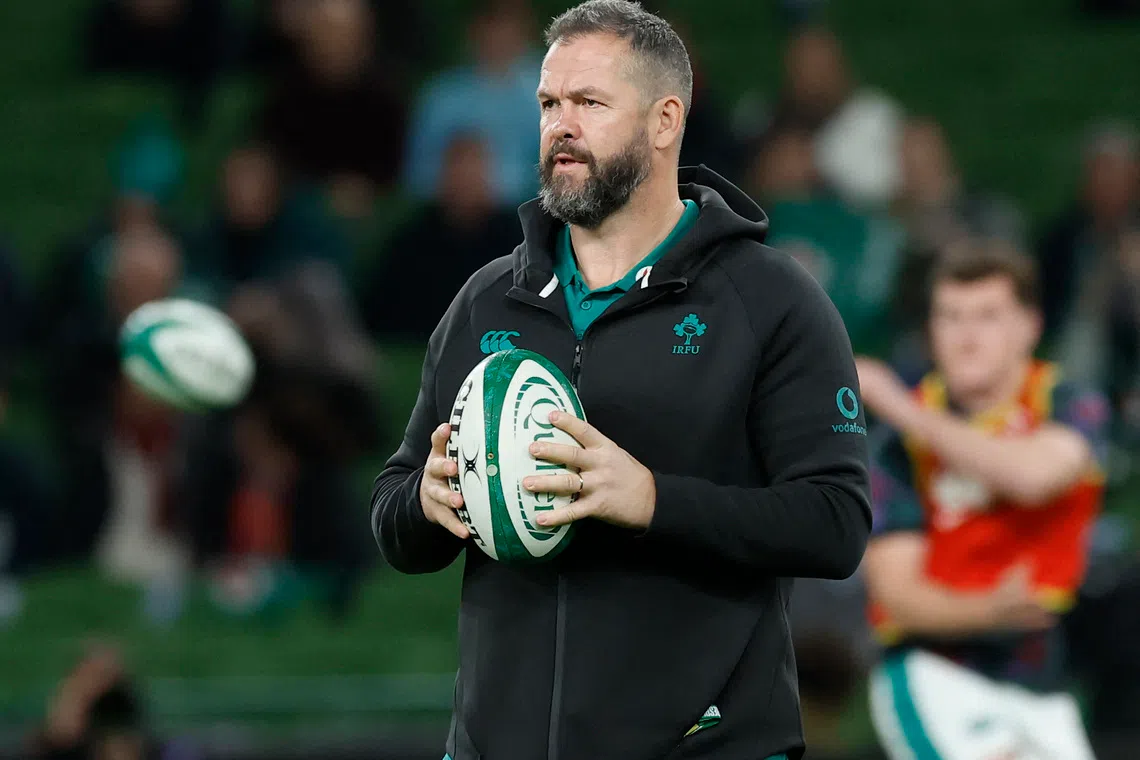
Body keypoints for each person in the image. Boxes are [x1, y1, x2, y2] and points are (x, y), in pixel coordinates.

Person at [371, 2, 871, 759]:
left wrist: (652, 501)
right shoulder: (483, 300)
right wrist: (427, 501)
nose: (559, 126)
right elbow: (392, 512)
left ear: (665, 120)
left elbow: (835, 524)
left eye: (589, 103)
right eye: (548, 103)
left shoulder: (771, 302)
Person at [856, 240, 1108, 760]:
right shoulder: (892, 449)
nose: (967, 337)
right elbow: (897, 594)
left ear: (1029, 327)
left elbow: (1035, 477)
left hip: (1043, 680)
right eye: (950, 317)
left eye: (988, 316)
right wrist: (989, 611)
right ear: (931, 331)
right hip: (936, 672)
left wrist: (902, 409)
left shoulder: (1067, 402)